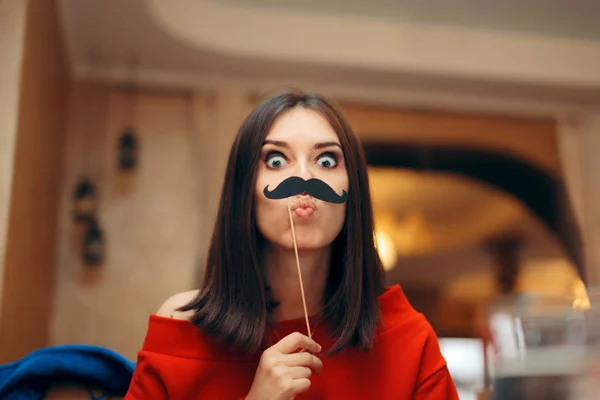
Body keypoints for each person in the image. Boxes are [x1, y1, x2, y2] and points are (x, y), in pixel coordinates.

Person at [124, 91, 459, 399]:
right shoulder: (183, 330)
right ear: (244, 191)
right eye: (275, 160)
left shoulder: (408, 341)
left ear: (352, 191)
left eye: (326, 161)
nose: (304, 178)